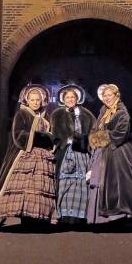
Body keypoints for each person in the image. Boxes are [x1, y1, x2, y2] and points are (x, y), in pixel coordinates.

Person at [86, 83, 132, 223]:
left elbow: (121, 133)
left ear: (116, 95)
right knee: (98, 181)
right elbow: (94, 130)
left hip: (116, 151)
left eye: (109, 95)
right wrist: (95, 138)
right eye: (104, 96)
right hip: (100, 152)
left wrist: (103, 137)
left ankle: (116, 216)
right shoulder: (102, 113)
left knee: (116, 182)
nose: (107, 98)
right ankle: (98, 218)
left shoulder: (122, 113)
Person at [0, 85, 56, 226]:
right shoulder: (21, 114)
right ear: (27, 100)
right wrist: (38, 137)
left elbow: (51, 135)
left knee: (39, 187)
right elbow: (17, 135)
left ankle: (38, 216)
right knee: (25, 186)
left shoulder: (46, 116)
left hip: (43, 156)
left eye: (38, 100)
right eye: (32, 100)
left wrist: (48, 138)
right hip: (25, 153)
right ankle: (24, 217)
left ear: (42, 100)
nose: (35, 103)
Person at [51, 83, 96, 227]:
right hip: (65, 151)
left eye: (72, 97)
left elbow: (93, 133)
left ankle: (80, 217)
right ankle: (64, 216)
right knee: (65, 183)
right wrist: (65, 141)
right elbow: (54, 134)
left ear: (77, 99)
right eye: (67, 97)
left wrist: (86, 144)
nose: (70, 99)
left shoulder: (87, 114)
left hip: (82, 152)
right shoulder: (57, 114)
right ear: (63, 99)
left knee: (81, 184)